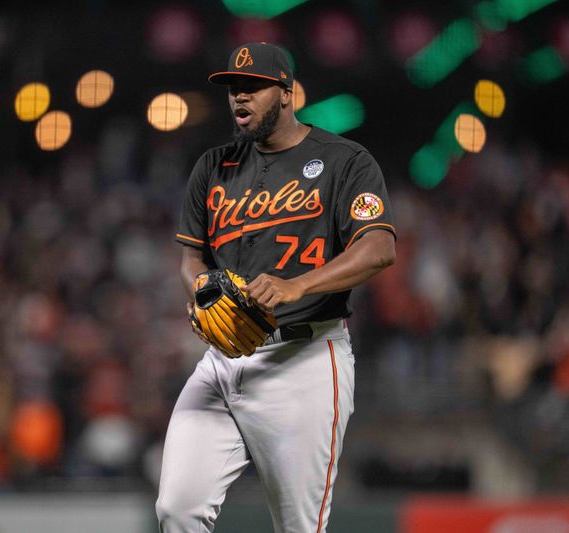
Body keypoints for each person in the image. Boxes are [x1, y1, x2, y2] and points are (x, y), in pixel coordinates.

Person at [156, 42, 397, 533]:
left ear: (286, 92)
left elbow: (378, 249)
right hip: (224, 360)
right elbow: (190, 260)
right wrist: (203, 288)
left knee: (299, 528)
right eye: (232, 88)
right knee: (177, 508)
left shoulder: (344, 161)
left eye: (253, 87)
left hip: (305, 361)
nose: (239, 97)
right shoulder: (213, 166)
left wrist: (297, 286)